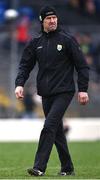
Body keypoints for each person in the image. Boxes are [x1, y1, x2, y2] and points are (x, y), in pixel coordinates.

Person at [15, 6, 89, 176]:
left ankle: (39, 167)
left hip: (64, 91)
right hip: (45, 93)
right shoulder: (36, 42)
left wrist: (83, 89)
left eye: (54, 18)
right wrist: (19, 84)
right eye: (49, 18)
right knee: (56, 131)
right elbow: (25, 65)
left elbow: (82, 66)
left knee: (49, 126)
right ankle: (68, 168)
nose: (53, 21)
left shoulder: (67, 40)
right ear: (42, 21)